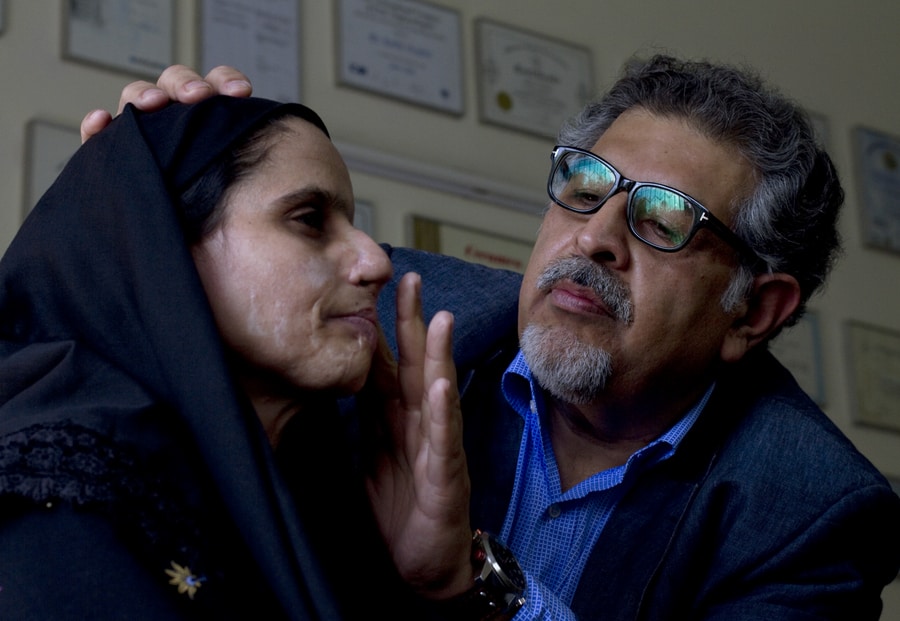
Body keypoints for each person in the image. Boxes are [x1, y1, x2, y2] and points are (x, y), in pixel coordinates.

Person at [81, 56, 900, 620]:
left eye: (663, 220)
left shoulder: (811, 510)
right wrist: (148, 195)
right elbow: (142, 354)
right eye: (585, 185)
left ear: (753, 311)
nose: (595, 237)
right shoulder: (385, 307)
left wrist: (471, 578)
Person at [0, 93, 522, 619]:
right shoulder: (62, 492)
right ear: (161, 246)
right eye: (309, 219)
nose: (376, 262)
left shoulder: (311, 493)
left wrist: (440, 584)